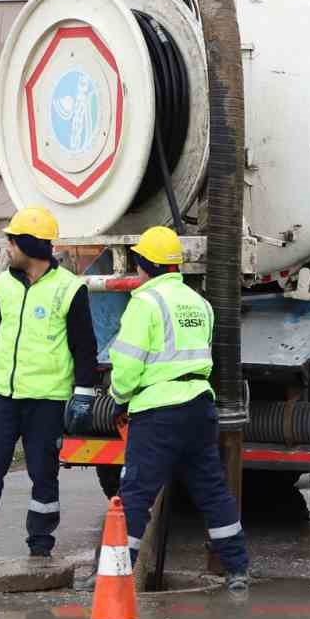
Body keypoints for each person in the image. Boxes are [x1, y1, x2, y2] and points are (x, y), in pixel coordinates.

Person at [0, 206, 97, 559]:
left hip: (46, 401)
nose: (8, 250)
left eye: (12, 243)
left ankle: (41, 546)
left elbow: (84, 347)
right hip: (4, 397)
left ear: (29, 246)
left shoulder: (70, 289)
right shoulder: (4, 284)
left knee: (43, 477)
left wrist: (83, 394)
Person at [110, 225, 250, 592]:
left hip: (157, 412)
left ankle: (114, 573)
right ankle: (237, 569)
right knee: (212, 490)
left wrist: (119, 396)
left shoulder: (144, 303)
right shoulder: (199, 303)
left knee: (137, 493)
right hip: (199, 408)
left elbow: (126, 366)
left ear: (144, 263)